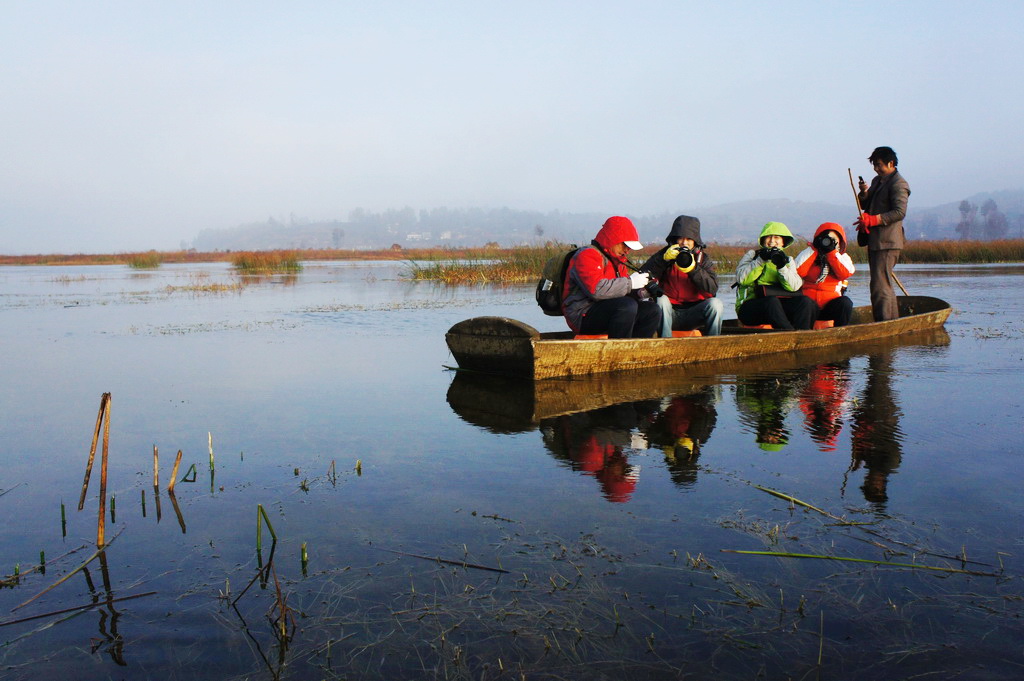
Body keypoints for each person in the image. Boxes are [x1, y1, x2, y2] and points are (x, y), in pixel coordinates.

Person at [562, 216, 662, 338]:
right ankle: (619, 353)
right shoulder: (587, 255)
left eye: (629, 247)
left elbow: (621, 294)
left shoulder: (618, 261)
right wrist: (630, 283)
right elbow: (597, 290)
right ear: (613, 239)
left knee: (652, 310)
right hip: (582, 314)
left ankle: (636, 352)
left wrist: (641, 293)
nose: (627, 250)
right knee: (626, 306)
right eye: (625, 245)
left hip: (610, 309)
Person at [640, 215, 723, 337]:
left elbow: (712, 289)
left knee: (716, 305)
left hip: (693, 313)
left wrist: (693, 269)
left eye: (689, 239)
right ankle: (666, 343)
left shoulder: (702, 259)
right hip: (668, 313)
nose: (684, 242)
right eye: (681, 238)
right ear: (675, 239)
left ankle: (713, 344)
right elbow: (642, 276)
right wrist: (663, 260)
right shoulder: (665, 254)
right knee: (661, 300)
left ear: (695, 241)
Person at [856, 146, 910, 321]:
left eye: (879, 165)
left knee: (880, 286)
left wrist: (874, 220)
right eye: (874, 165)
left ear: (891, 163)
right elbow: (866, 203)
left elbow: (899, 212)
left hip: (887, 242)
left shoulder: (899, 184)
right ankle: (890, 320)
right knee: (882, 284)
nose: (876, 169)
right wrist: (864, 191)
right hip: (876, 241)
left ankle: (884, 322)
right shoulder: (878, 180)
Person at [734, 221, 816, 330]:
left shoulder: (788, 260)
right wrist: (760, 261)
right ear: (763, 240)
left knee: (805, 302)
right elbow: (742, 279)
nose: (772, 241)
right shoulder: (752, 255)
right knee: (771, 301)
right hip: (750, 308)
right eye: (768, 237)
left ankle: (803, 334)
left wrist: (782, 267)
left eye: (777, 237)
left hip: (779, 307)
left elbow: (794, 287)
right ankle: (791, 334)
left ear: (783, 242)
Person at [794, 222, 856, 326]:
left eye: (834, 240)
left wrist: (831, 253)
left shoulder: (843, 257)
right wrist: (814, 248)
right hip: (809, 308)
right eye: (826, 238)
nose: (829, 242)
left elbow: (845, 273)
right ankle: (802, 335)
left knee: (845, 302)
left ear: (840, 242)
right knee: (804, 302)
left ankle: (840, 333)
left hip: (830, 306)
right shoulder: (810, 253)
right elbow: (798, 270)